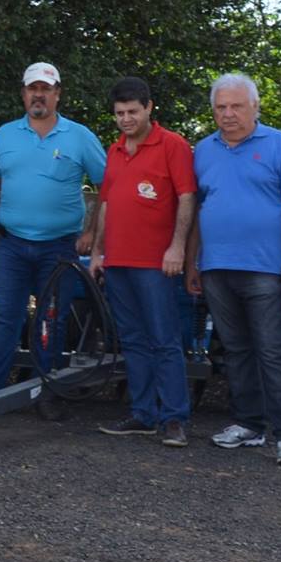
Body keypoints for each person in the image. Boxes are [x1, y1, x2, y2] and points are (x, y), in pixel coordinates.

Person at [187, 72, 281, 468]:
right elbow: (197, 210)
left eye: (237, 106)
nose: (228, 114)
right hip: (216, 268)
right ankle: (248, 424)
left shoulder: (280, 144)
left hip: (266, 269)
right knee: (235, 349)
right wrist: (193, 262)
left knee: (274, 352)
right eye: (221, 107)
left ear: (255, 107)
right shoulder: (203, 150)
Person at [0, 61, 106, 392]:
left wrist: (92, 233)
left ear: (57, 94)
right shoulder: (5, 134)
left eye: (45, 89)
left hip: (60, 247)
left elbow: (108, 186)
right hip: (12, 245)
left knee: (51, 320)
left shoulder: (80, 136)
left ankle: (45, 393)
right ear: (23, 94)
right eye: (32, 89)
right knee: (4, 318)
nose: (39, 95)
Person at [88, 76, 196, 446]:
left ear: (149, 107)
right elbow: (106, 203)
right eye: (120, 113)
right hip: (118, 261)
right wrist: (98, 252)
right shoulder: (115, 149)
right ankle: (143, 413)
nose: (126, 119)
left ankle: (174, 418)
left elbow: (186, 198)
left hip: (155, 263)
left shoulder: (173, 145)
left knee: (164, 340)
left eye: (133, 111)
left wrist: (177, 248)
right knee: (132, 340)